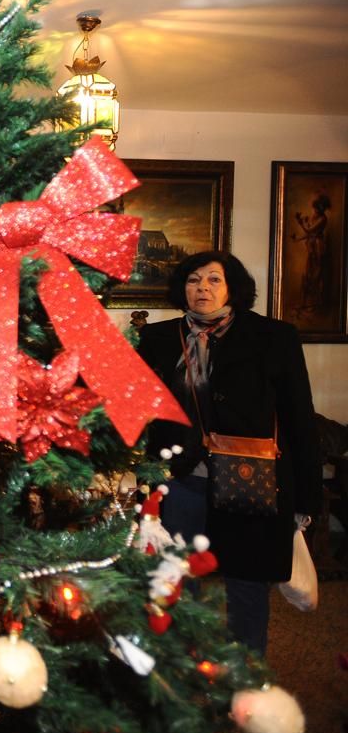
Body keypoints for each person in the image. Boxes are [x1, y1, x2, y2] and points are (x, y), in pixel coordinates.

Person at [137, 251, 321, 654]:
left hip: (250, 483)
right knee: (177, 584)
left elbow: (299, 420)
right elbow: (139, 410)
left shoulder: (274, 337)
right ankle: (184, 671)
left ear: (233, 287)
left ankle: (246, 677)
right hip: (181, 482)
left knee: (247, 587)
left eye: (213, 280)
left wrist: (306, 497)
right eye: (193, 280)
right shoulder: (155, 339)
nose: (202, 288)